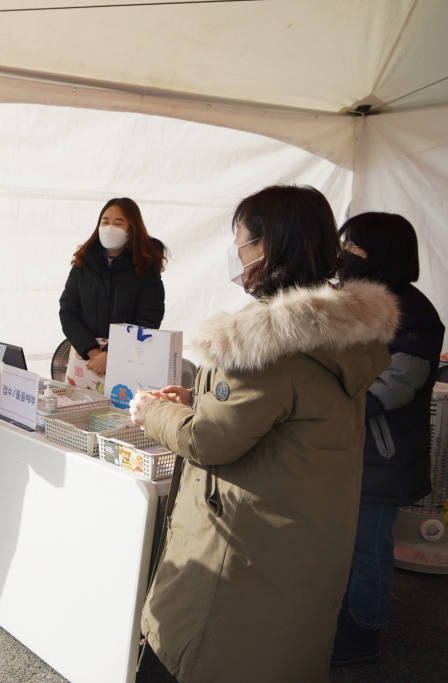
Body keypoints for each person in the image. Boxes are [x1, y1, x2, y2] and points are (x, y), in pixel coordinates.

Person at [128, 185, 398, 683]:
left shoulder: (266, 342)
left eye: (243, 241)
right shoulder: (339, 329)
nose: (238, 253)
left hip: (238, 554)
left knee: (190, 655)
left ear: (269, 247)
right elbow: (287, 416)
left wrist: (151, 412)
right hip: (300, 544)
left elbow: (210, 440)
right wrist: (197, 399)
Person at [332, 212, 444, 666]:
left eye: (352, 247)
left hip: (382, 451)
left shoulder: (413, 312)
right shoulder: (352, 301)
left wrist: (328, 408)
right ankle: (346, 619)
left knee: (368, 544)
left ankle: (365, 635)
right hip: (346, 444)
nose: (342, 256)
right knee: (346, 542)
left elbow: (396, 386)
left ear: (383, 252)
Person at [58, 198, 166, 391]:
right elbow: (68, 311)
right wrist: (93, 353)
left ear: (132, 228)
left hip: (128, 357)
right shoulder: (83, 263)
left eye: (118, 223)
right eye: (105, 222)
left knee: (122, 418)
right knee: (76, 415)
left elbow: (148, 318)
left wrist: (110, 355)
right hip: (85, 359)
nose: (110, 227)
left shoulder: (146, 269)